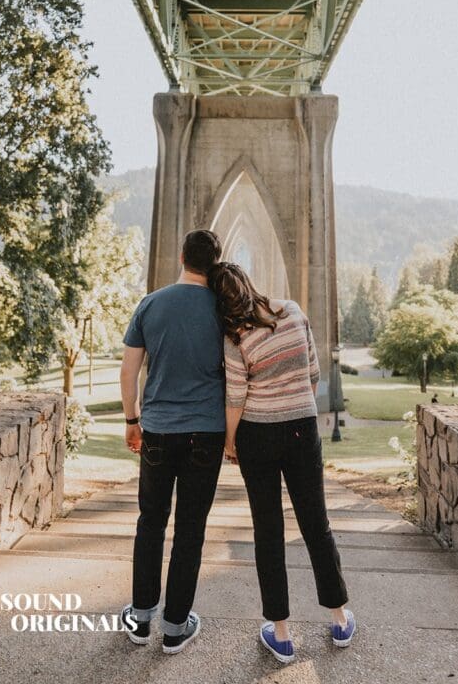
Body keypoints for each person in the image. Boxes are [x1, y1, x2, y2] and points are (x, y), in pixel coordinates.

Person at [208, 261, 355, 664]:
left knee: (268, 531)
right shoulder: (292, 311)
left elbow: (235, 397)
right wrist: (298, 407)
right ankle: (340, 619)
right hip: (301, 428)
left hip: (257, 434)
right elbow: (312, 372)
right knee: (315, 523)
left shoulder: (234, 336)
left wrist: (231, 442)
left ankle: (282, 633)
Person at [119, 229, 225, 655]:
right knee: (190, 530)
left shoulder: (151, 303)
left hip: (158, 430)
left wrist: (132, 420)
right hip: (207, 432)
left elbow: (129, 372)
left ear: (182, 256)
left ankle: (141, 618)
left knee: (151, 522)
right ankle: (176, 627)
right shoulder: (224, 309)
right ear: (215, 264)